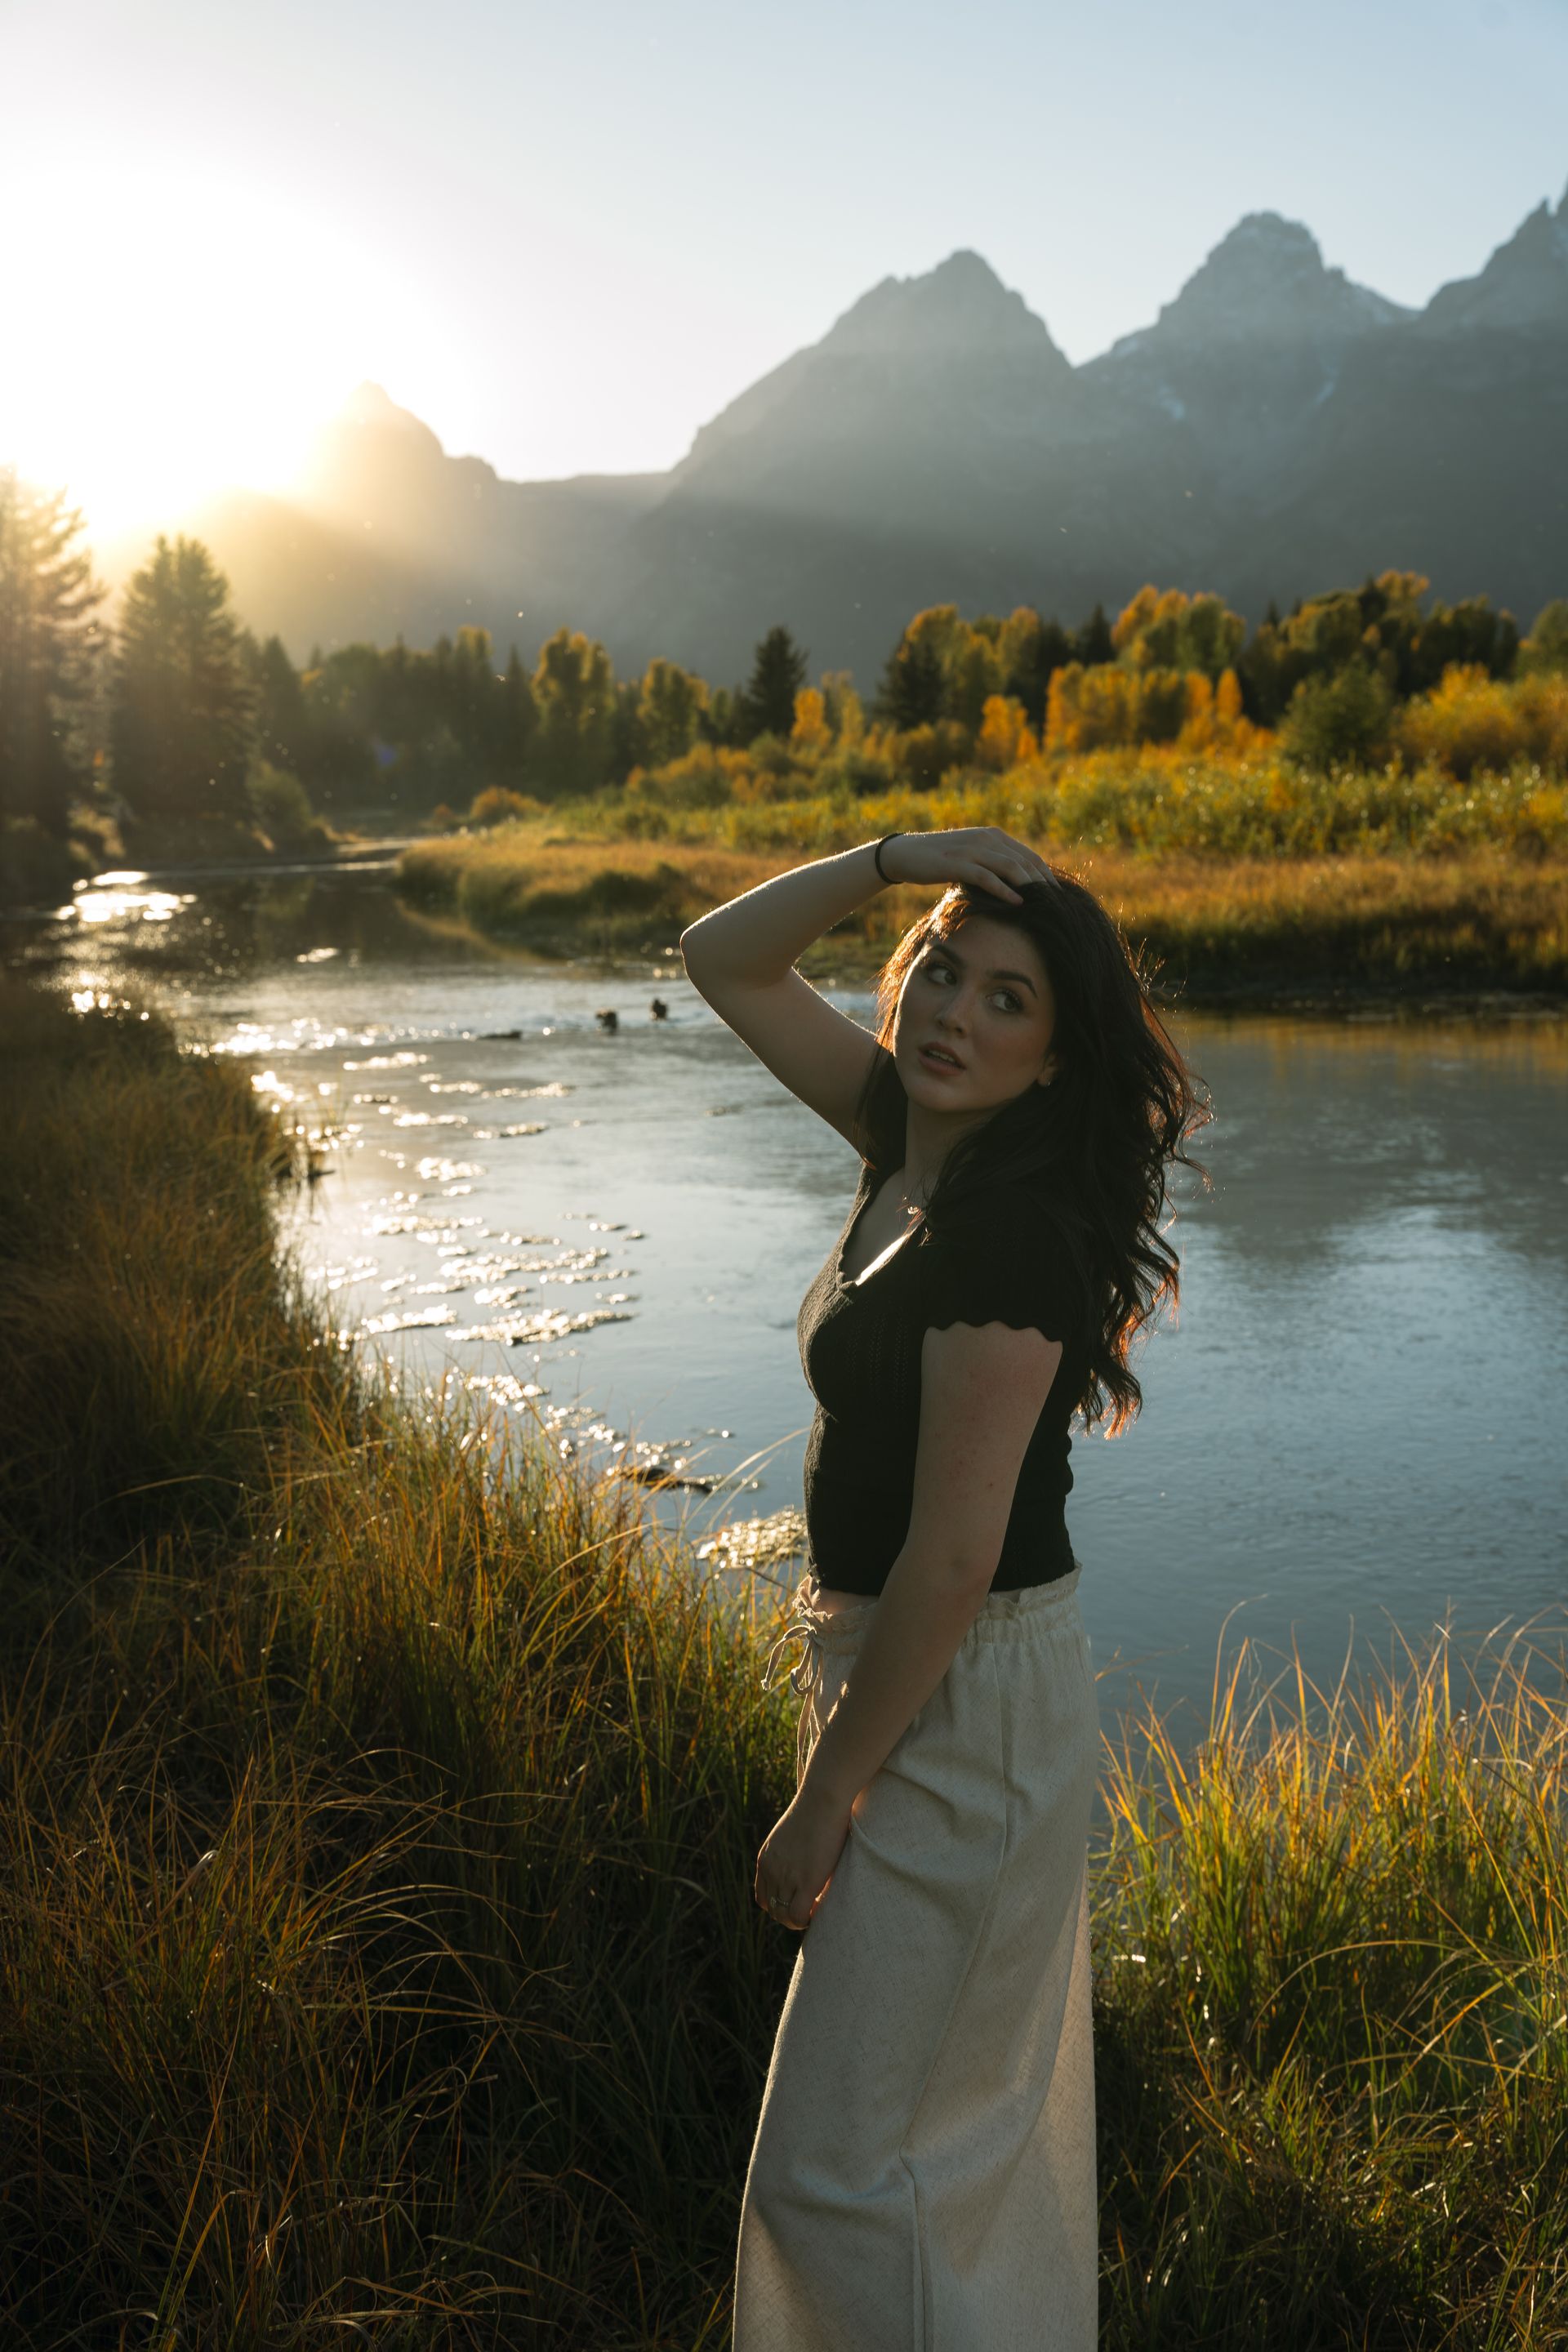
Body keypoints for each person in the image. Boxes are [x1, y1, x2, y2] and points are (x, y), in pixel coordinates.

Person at [679, 826, 1207, 2351]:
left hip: (965, 1701)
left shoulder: (1011, 1233)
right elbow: (722, 960)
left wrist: (825, 1795)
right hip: (901, 1672)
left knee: (843, 2170)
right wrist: (895, 856)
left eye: (1008, 1001)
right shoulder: (906, 1135)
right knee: (921, 2150)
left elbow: (956, 1559)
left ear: (1057, 1059)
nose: (956, 1017)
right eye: (943, 974)